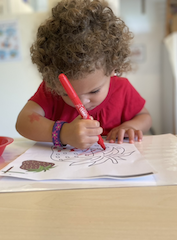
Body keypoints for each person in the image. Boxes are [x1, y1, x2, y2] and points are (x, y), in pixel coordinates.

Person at [16, 0, 152, 150]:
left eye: (94, 91)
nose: (81, 102)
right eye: (66, 93)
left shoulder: (123, 89)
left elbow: (145, 117)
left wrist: (130, 126)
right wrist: (63, 133)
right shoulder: (52, 89)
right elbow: (23, 122)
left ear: (113, 68)